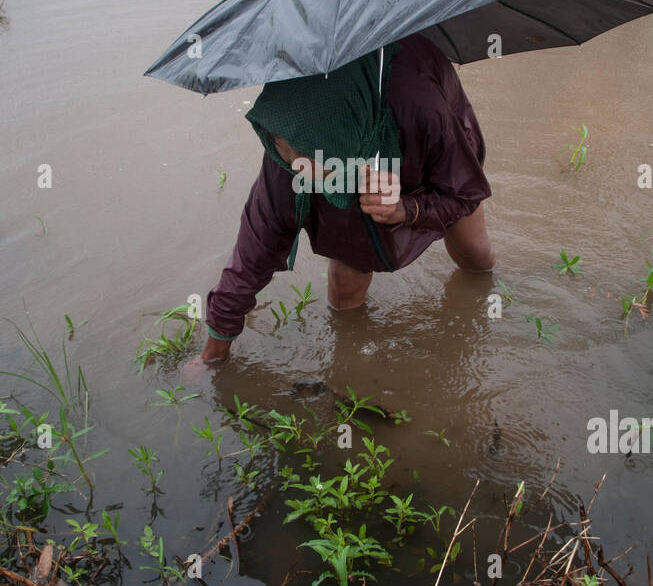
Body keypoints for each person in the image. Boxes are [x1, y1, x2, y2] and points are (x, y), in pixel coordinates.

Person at [191, 32, 494, 367]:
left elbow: (463, 193)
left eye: (308, 161)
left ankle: (482, 297)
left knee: (475, 255)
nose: (296, 168)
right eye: (283, 149)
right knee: (347, 275)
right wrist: (213, 352)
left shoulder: (422, 105)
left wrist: (407, 208)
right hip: (347, 153)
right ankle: (351, 364)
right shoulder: (289, 148)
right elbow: (254, 250)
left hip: (425, 155)